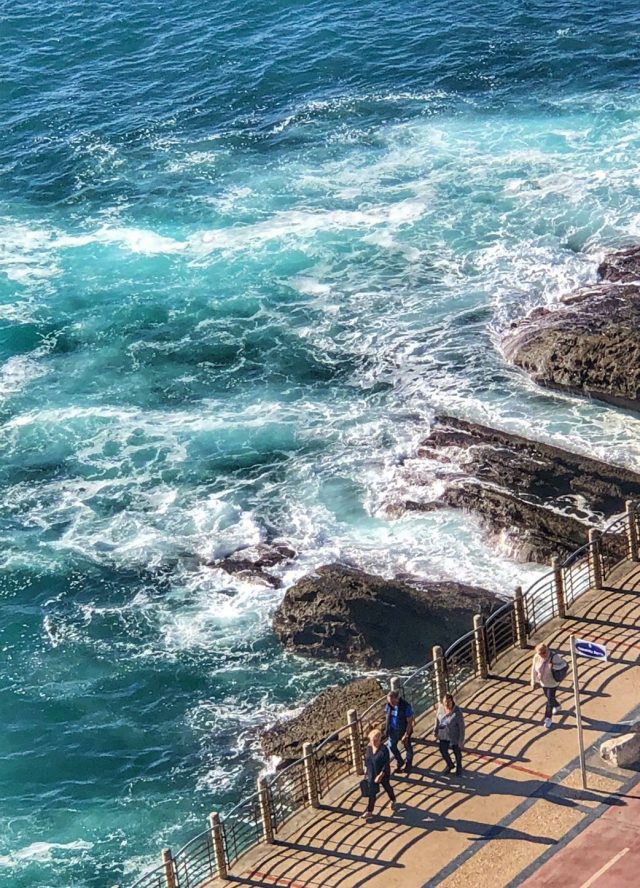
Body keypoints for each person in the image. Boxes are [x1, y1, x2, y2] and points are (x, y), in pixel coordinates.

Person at [363, 728, 397, 819]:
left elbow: (386, 764)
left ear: (379, 740)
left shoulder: (384, 750)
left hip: (383, 773)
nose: (372, 742)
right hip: (372, 772)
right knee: (372, 792)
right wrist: (366, 768)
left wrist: (381, 775)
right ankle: (369, 811)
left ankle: (393, 799)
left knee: (387, 787)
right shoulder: (369, 747)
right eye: (371, 740)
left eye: (374, 740)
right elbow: (367, 759)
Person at [530, 642, 564, 728]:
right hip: (543, 682)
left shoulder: (554, 657)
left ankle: (547, 718)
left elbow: (564, 664)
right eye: (541, 653)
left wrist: (554, 667)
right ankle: (557, 705)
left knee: (549, 699)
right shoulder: (537, 657)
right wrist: (533, 681)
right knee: (549, 697)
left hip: (552, 682)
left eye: (544, 652)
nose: (543, 655)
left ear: (547, 649)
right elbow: (534, 669)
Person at [434, 693, 465, 776]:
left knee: (457, 752)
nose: (447, 704)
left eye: (449, 702)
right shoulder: (440, 708)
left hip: (454, 735)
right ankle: (450, 764)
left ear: (452, 701)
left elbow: (461, 727)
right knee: (443, 750)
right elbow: (437, 719)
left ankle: (459, 767)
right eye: (445, 702)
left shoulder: (457, 712)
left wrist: (461, 740)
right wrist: (435, 730)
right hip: (443, 734)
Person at [384, 690, 415, 775]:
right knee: (391, 746)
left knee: (407, 747)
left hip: (403, 730)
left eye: (393, 701)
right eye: (389, 702)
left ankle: (409, 765)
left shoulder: (406, 706)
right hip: (393, 730)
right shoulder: (389, 705)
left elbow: (409, 722)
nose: (391, 703)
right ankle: (400, 761)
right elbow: (387, 717)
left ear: (397, 698)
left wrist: (406, 734)